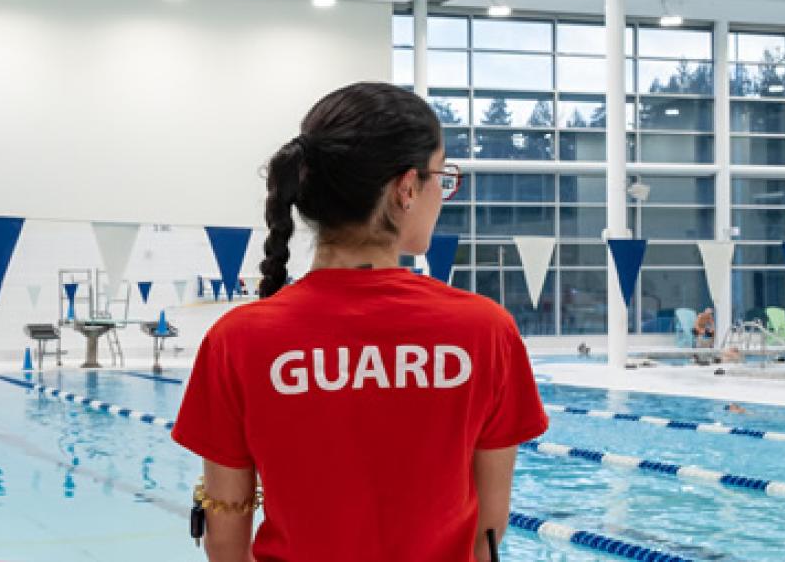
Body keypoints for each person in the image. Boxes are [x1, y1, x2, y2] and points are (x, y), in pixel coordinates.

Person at [172, 83, 548, 562]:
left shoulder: (238, 339)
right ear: (406, 189)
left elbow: (225, 536)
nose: (442, 193)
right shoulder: (485, 330)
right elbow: (489, 532)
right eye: (442, 176)